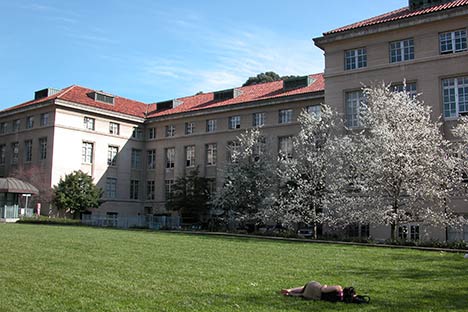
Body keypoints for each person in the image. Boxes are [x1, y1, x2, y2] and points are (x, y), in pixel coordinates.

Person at [281, 281, 370, 303]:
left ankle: (290, 290)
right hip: (314, 297)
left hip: (315, 290)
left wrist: (325, 285)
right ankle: (290, 294)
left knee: (307, 286)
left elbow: (323, 289)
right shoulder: (340, 299)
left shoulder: (338, 288)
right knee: (303, 293)